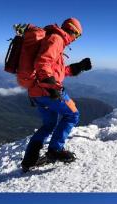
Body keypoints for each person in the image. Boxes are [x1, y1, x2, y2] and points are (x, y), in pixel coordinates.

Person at [21, 17, 93, 172]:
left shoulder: (52, 38)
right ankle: (55, 150)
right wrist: (52, 87)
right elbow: (42, 63)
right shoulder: (57, 39)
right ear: (73, 30)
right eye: (78, 35)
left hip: (36, 91)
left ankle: (29, 159)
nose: (76, 39)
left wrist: (78, 67)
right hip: (46, 91)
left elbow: (56, 70)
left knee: (49, 124)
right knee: (72, 115)